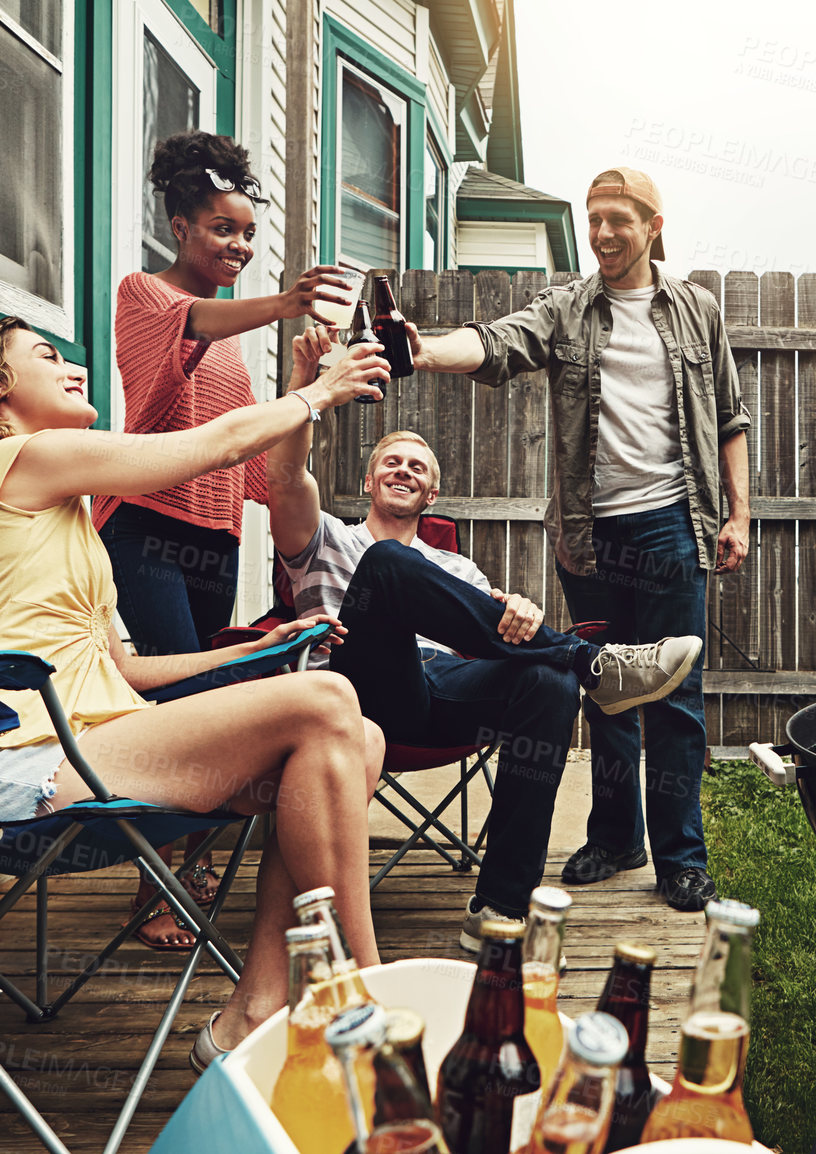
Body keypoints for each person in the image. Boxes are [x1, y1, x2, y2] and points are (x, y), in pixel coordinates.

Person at [0, 314, 392, 1067]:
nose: (75, 368)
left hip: (81, 747)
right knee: (327, 702)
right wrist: (318, 396)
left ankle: (253, 1012)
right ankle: (369, 993)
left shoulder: (63, 510)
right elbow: (203, 449)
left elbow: (122, 673)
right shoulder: (14, 461)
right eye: (48, 357)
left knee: (359, 736)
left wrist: (250, 651)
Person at [268, 331, 701, 946]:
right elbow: (285, 476)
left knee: (548, 683)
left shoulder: (461, 572)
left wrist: (519, 613)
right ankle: (591, 661)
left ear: (432, 493)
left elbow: (489, 634)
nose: (404, 469)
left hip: (434, 694)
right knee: (389, 563)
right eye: (391, 461)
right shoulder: (326, 539)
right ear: (368, 481)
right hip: (350, 689)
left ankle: (499, 911)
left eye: (418, 466)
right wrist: (307, 387)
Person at [402, 168, 752, 912]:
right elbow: (497, 343)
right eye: (594, 218)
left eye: (617, 219)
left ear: (654, 224)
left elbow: (729, 417)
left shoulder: (697, 312)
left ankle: (680, 856)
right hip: (591, 536)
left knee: (675, 698)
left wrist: (739, 513)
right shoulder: (567, 308)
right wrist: (424, 350)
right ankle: (615, 835)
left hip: (673, 520)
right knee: (606, 691)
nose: (602, 233)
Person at [94, 131, 358, 948]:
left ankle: (189, 865)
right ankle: (155, 882)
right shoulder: (145, 296)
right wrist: (284, 303)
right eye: (221, 230)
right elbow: (189, 326)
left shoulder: (231, 336)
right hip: (143, 525)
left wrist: (304, 396)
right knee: (180, 698)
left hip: (211, 535)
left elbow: (248, 456)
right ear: (179, 227)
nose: (238, 246)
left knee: (215, 700)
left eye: (247, 233)